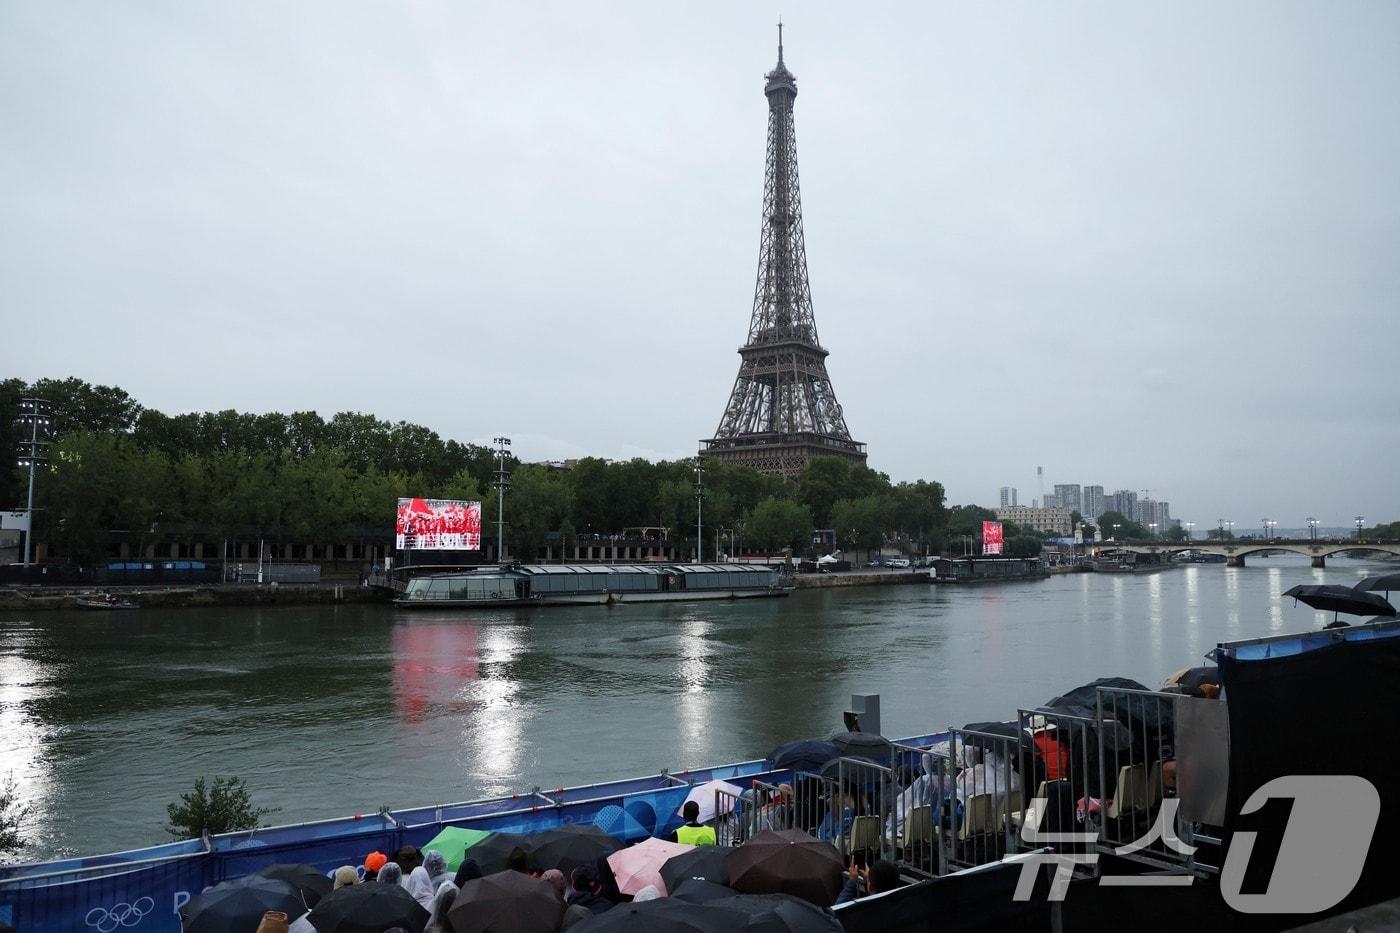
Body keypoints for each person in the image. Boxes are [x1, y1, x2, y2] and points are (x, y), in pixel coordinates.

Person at [834, 858, 901, 905]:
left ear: (871, 887)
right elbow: (874, 894)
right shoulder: (899, 904)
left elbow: (837, 909)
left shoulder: (863, 910)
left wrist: (852, 881)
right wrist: (868, 881)